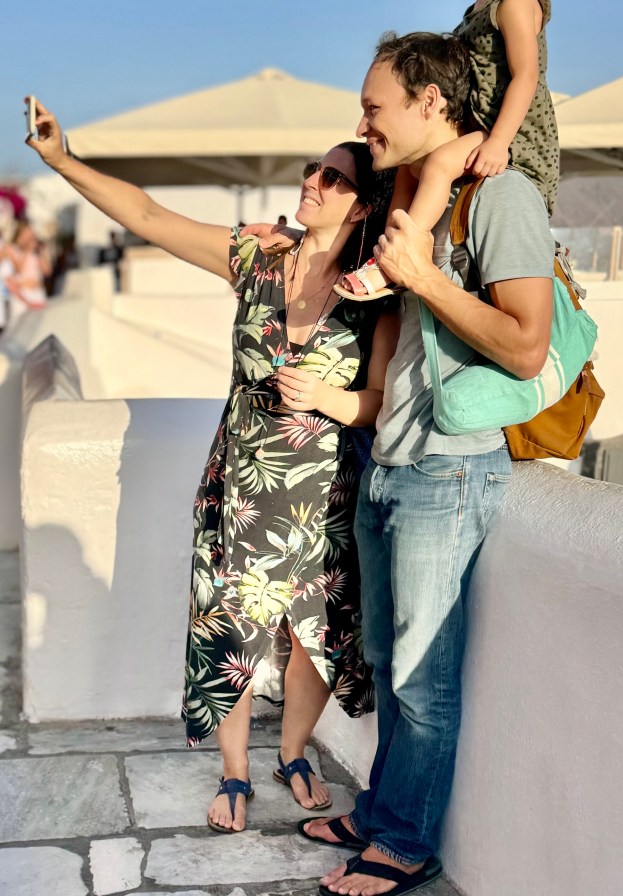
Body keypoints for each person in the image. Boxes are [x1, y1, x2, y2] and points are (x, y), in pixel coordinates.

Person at [26, 102, 400, 834]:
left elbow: (379, 402)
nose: (313, 181)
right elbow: (149, 217)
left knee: (312, 636)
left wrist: (327, 397)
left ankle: (292, 753)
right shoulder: (255, 259)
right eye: (313, 169)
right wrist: (63, 159)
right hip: (241, 486)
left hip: (324, 495)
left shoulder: (372, 297)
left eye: (334, 178)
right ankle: (234, 771)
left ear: (361, 208)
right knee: (230, 630)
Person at [299, 32, 555, 896]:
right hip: (390, 459)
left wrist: (424, 276)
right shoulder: (417, 196)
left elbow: (525, 346)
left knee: (422, 678)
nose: (363, 123)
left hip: (448, 469)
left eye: (375, 107)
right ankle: (381, 812)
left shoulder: (501, 198)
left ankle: (405, 844)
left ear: (430, 102)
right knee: (386, 660)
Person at [335, 0, 558, 302]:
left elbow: (527, 77)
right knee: (408, 166)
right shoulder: (475, 11)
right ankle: (389, 247)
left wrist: (499, 142)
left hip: (513, 135)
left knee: (437, 163)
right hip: (486, 129)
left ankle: (403, 255)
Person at [3, 221, 51, 325]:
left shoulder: (37, 250)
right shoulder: (12, 249)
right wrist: (27, 251)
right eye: (27, 234)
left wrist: (41, 252)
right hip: (23, 295)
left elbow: (47, 271)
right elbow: (18, 269)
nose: (31, 237)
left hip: (38, 293)